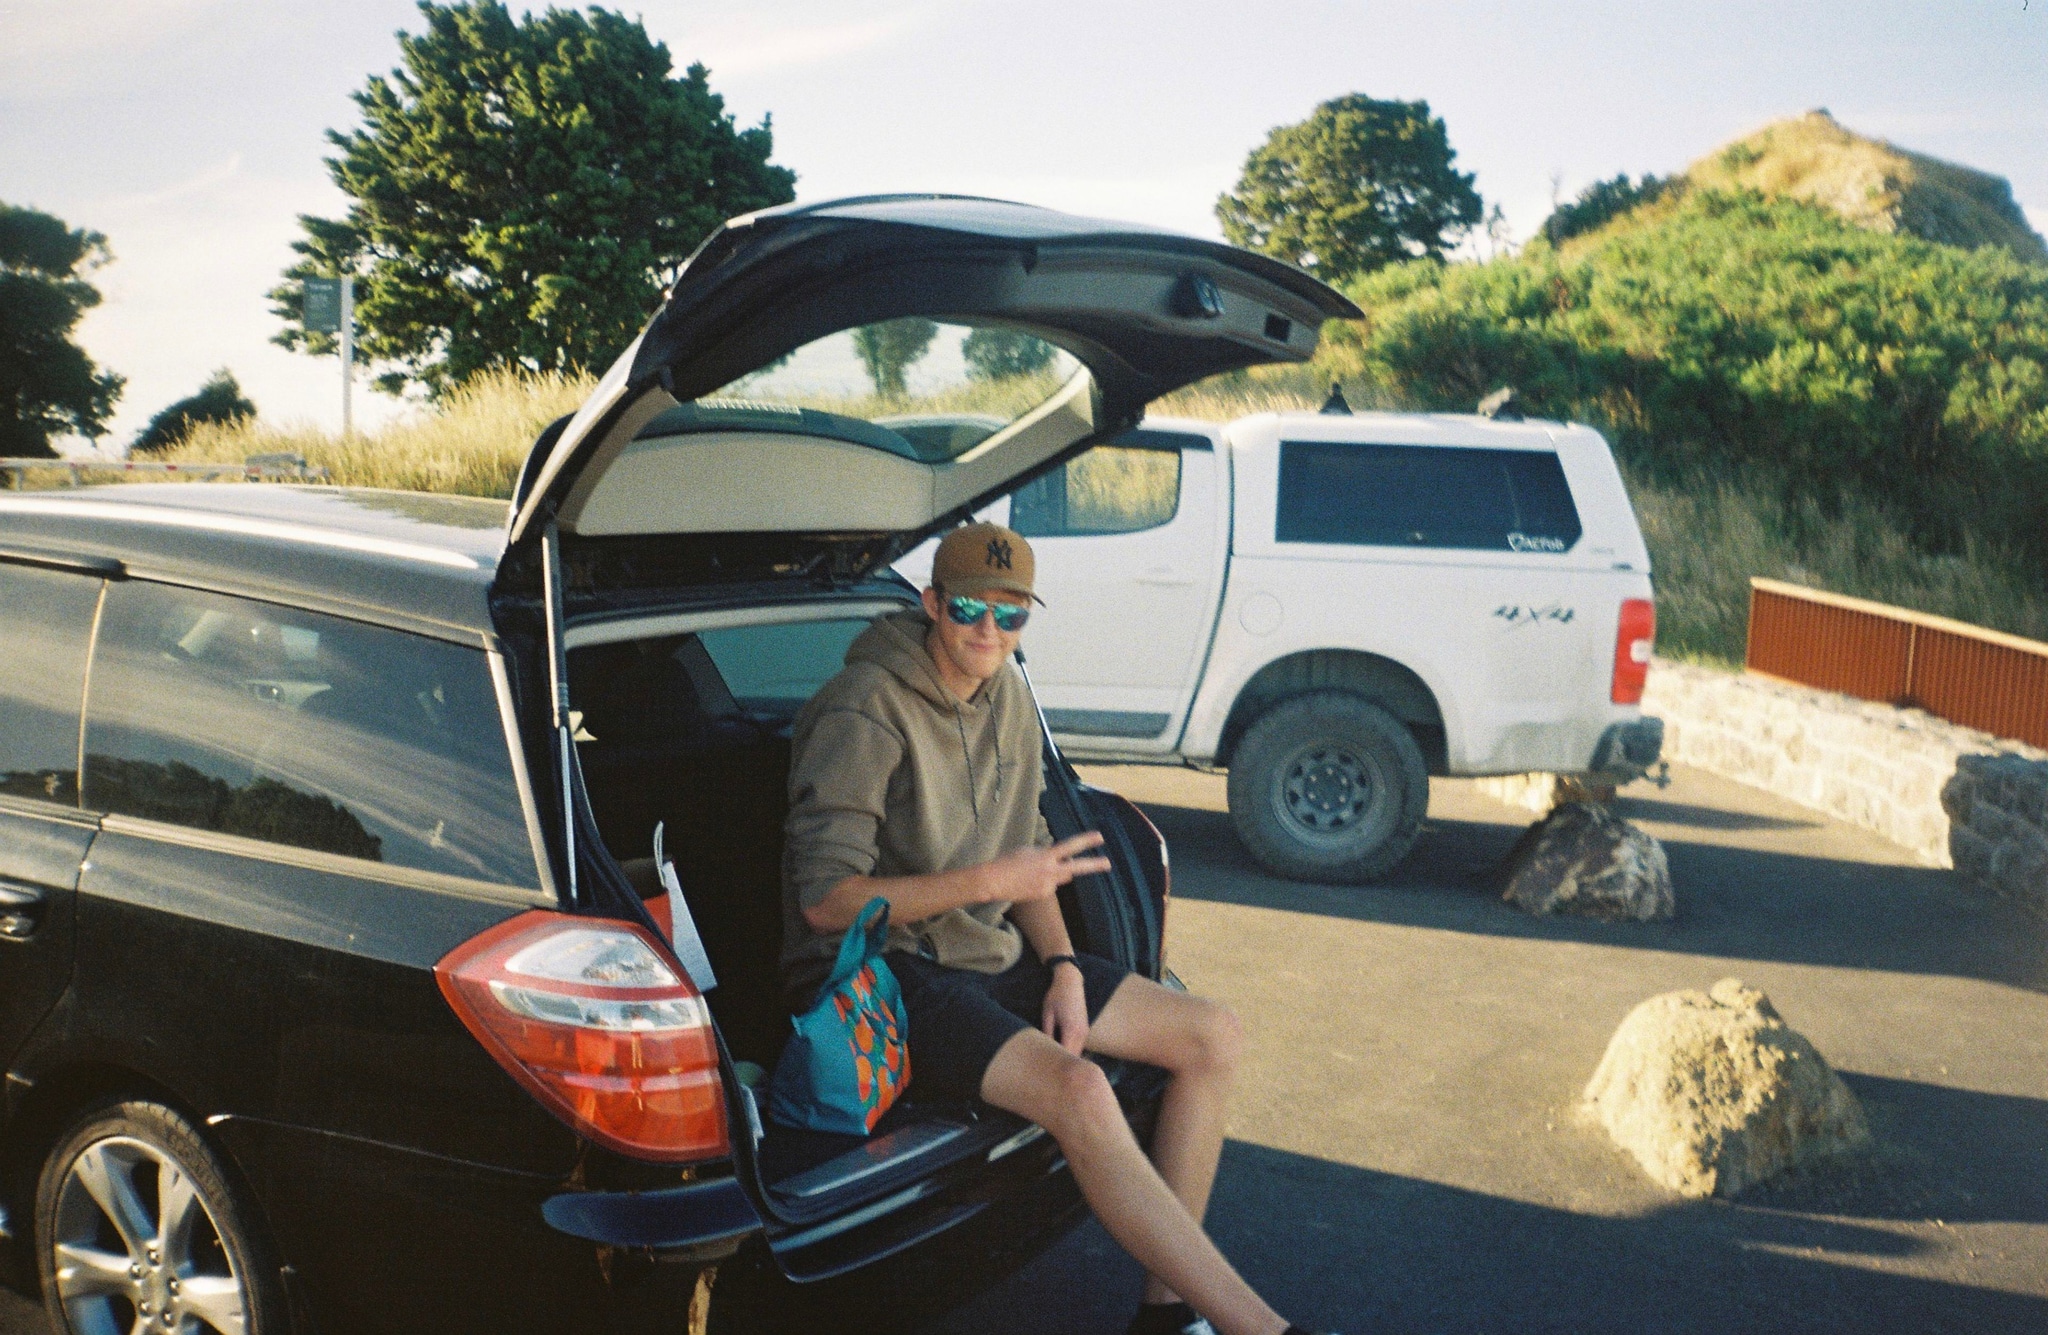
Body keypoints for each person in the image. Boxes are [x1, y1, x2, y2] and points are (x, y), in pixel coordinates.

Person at [781, 522, 1332, 1335]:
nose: (989, 632)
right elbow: (825, 902)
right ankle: (1263, 1329)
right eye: (969, 608)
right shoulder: (865, 708)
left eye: (1012, 616)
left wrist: (1066, 964)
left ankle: (1166, 1315)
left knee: (1213, 1034)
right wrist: (990, 882)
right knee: (1079, 1089)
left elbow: (1026, 854)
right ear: (932, 603)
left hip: (989, 949)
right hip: (889, 972)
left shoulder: (1007, 694)